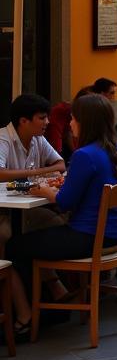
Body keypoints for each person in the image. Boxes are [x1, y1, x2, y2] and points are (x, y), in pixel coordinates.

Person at [6, 94, 117, 339]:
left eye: (74, 119)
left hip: (87, 237)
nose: (70, 124)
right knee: (36, 234)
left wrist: (45, 191)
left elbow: (65, 203)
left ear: (86, 122)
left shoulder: (85, 155)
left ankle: (25, 316)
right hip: (115, 235)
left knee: (14, 246)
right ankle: (54, 294)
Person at [0, 94, 68, 255]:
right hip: (3, 210)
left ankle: (46, 278)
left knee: (57, 223)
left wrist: (38, 174)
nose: (47, 122)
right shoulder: (3, 139)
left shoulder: (38, 139)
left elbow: (61, 165)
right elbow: (0, 174)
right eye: (42, 118)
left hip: (24, 207)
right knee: (6, 233)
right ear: (24, 121)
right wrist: (38, 172)